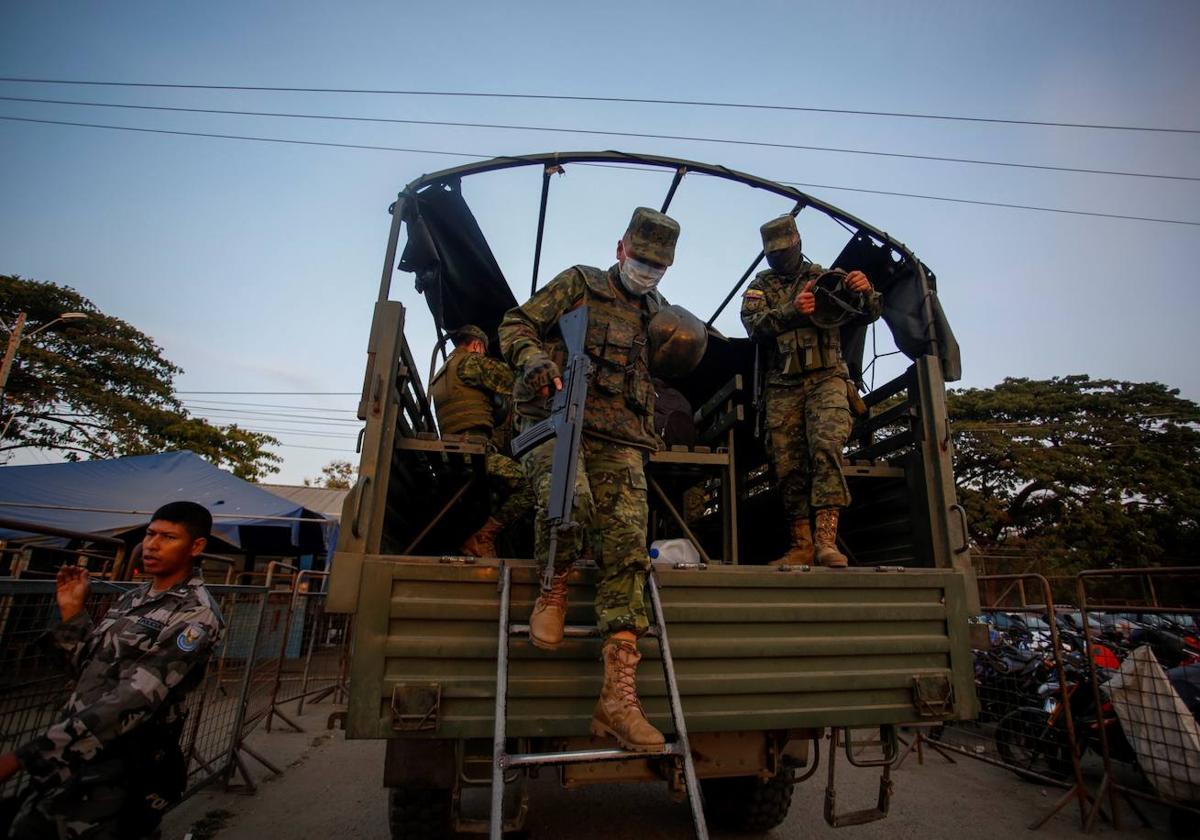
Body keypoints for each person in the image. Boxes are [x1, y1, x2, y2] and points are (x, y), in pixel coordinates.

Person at [498, 207, 679, 752]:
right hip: (555, 417)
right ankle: (553, 588)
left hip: (621, 437)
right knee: (569, 500)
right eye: (641, 259)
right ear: (621, 247)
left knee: (627, 546)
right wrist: (533, 360)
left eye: (657, 266)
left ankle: (617, 702)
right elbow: (514, 323)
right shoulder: (579, 283)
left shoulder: (659, 312)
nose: (647, 272)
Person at [0, 501, 225, 840]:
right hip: (74, 753)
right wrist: (73, 614)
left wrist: (26, 755)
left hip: (121, 765)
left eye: (168, 537)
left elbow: (133, 698)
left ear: (196, 547)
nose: (152, 544)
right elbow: (89, 670)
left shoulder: (196, 613)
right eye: (150, 534)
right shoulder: (132, 599)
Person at [740, 215, 882, 568]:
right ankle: (801, 544)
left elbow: (867, 313)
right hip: (783, 384)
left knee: (826, 447)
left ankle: (826, 542)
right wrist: (791, 311)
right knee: (787, 464)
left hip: (827, 378)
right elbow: (753, 325)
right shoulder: (761, 286)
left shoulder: (825, 279)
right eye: (774, 253)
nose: (781, 257)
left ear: (798, 242)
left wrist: (866, 292)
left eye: (785, 250)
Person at [429, 324, 534, 557]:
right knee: (532, 486)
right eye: (484, 351)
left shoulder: (442, 373)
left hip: (456, 448)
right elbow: (513, 379)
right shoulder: (470, 363)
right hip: (472, 450)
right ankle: (483, 537)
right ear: (477, 345)